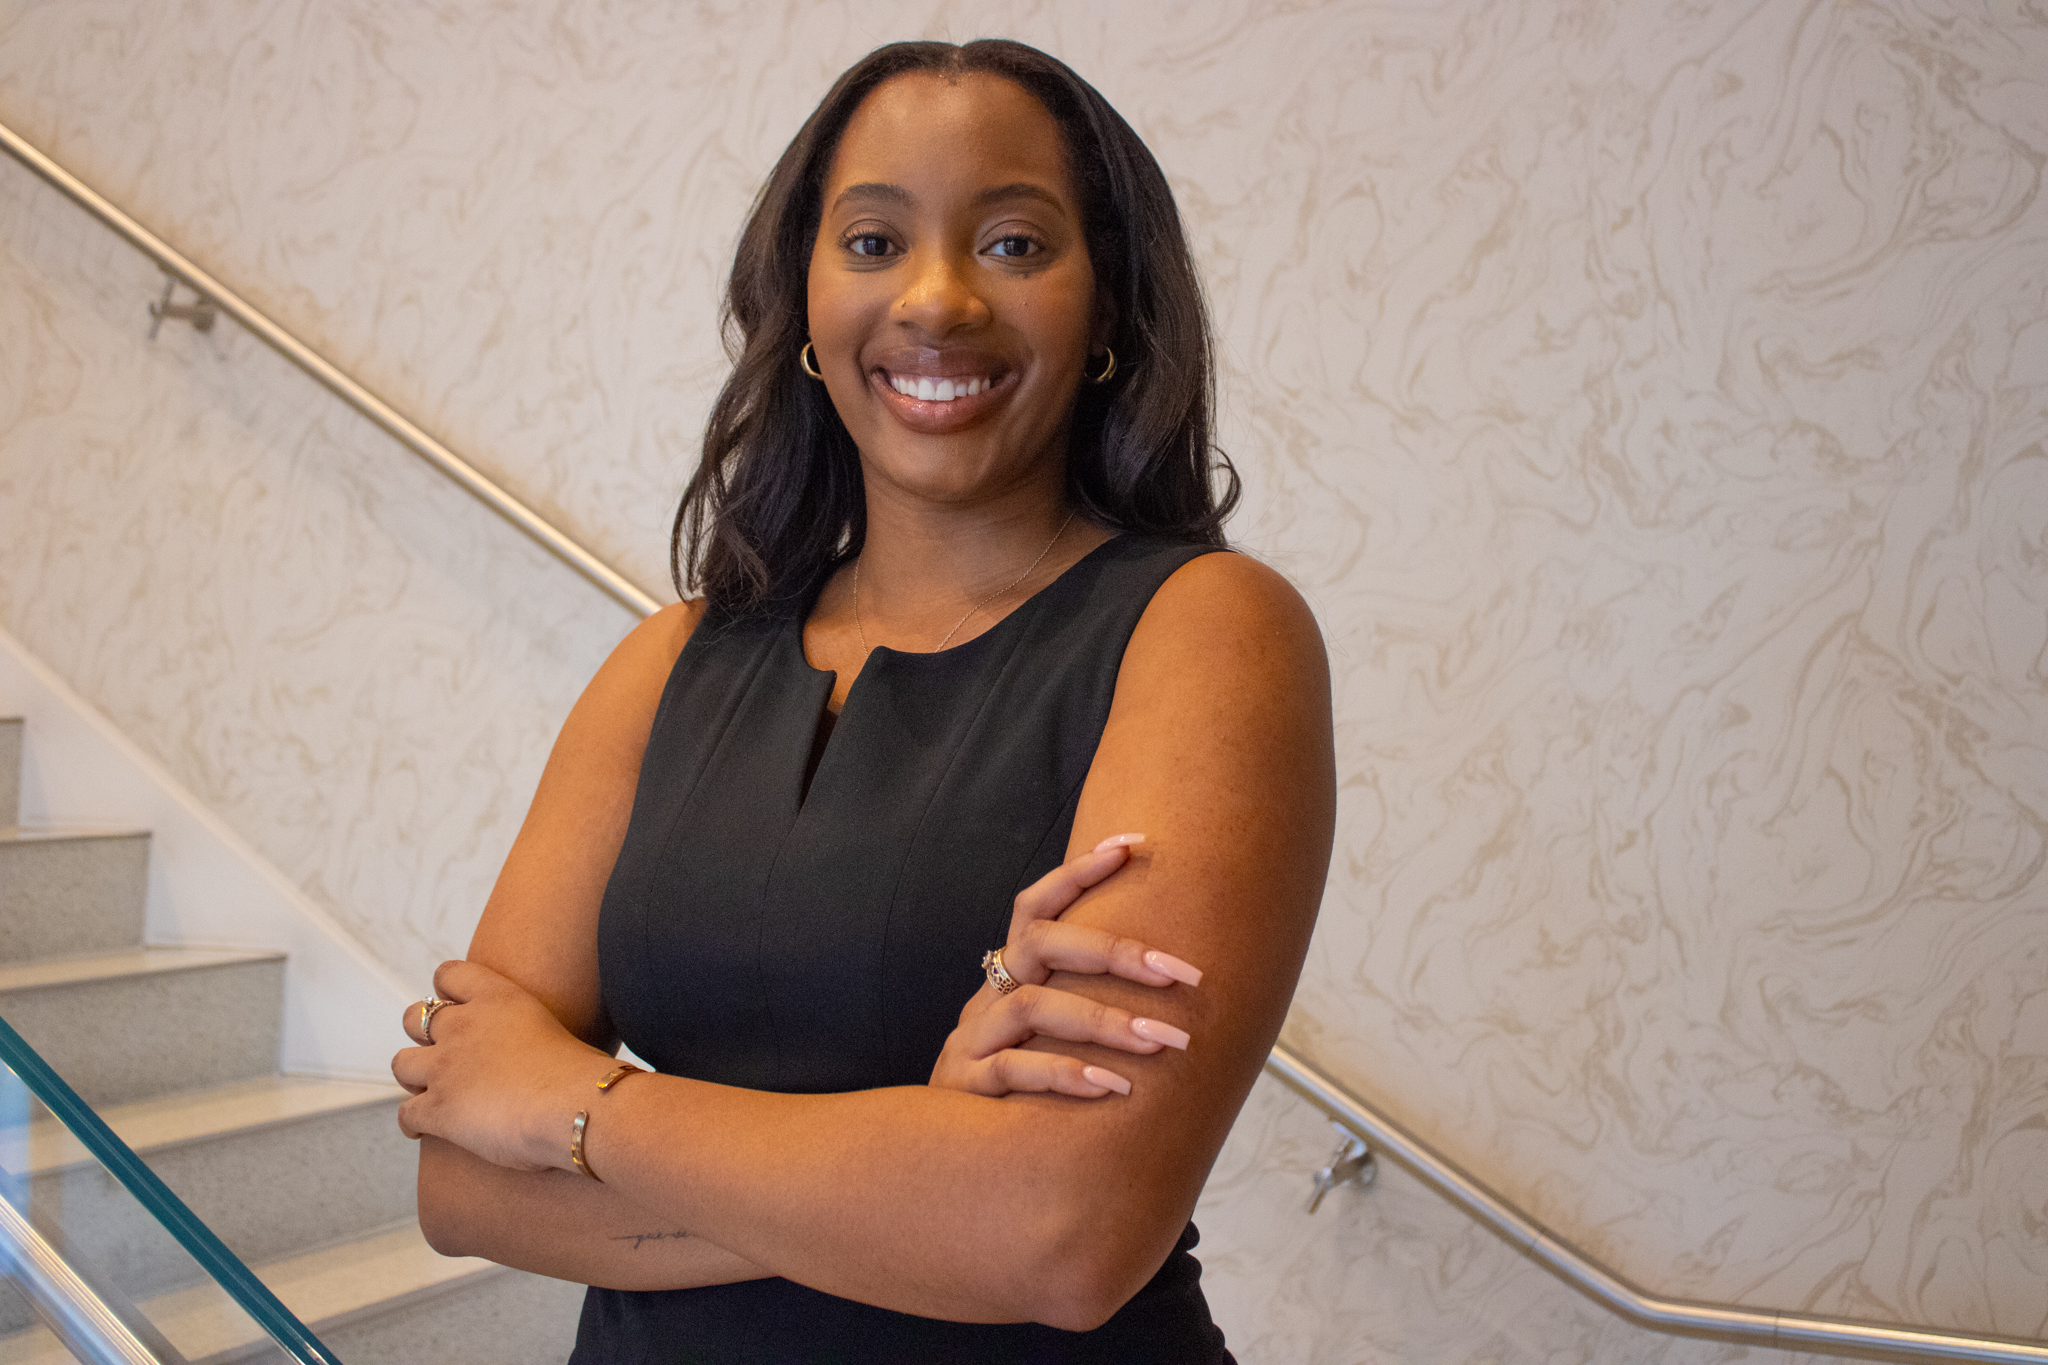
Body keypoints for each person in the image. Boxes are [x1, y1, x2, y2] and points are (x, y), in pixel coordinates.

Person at [391, 37, 1334, 1363]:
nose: (937, 301)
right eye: (875, 242)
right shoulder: (665, 665)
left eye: (1014, 244)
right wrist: (923, 1172)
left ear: (1111, 308)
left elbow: (1061, 1235)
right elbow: (462, 1186)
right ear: (805, 310)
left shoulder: (1207, 633)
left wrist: (574, 1107)